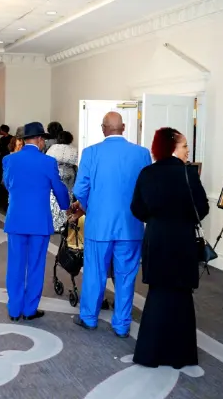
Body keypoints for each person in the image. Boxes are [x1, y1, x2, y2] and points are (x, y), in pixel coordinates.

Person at [130, 127, 208, 368]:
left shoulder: (147, 173)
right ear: (172, 148)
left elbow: (136, 208)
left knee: (157, 294)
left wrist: (155, 219)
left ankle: (150, 354)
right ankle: (180, 356)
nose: (188, 151)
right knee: (182, 296)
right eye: (184, 146)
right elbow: (202, 209)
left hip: (156, 239)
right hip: (182, 240)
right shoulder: (189, 174)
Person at [71, 112, 151, 337]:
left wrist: (90, 208)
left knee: (95, 273)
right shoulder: (142, 153)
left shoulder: (91, 153)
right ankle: (122, 324)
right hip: (131, 226)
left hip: (99, 226)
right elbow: (147, 189)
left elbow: (80, 189)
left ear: (103, 128)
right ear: (123, 127)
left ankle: (89, 317)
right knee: (126, 276)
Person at [3, 122, 70, 321]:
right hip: (39, 222)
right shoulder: (48, 162)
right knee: (35, 266)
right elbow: (59, 188)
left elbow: (8, 185)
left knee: (15, 265)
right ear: (40, 140)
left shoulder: (9, 159)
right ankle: (29, 309)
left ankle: (14, 309)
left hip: (16, 219)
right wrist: (66, 206)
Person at [46, 131, 78, 232]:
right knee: (68, 194)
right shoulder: (73, 149)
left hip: (56, 172)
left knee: (54, 196)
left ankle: (55, 223)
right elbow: (76, 162)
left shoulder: (53, 148)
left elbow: (47, 160)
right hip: (69, 173)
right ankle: (66, 222)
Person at [0, 125, 12, 204]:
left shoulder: (10, 138)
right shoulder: (2, 139)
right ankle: (0, 198)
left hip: (6, 159)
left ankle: (4, 198)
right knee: (1, 176)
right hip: (1, 159)